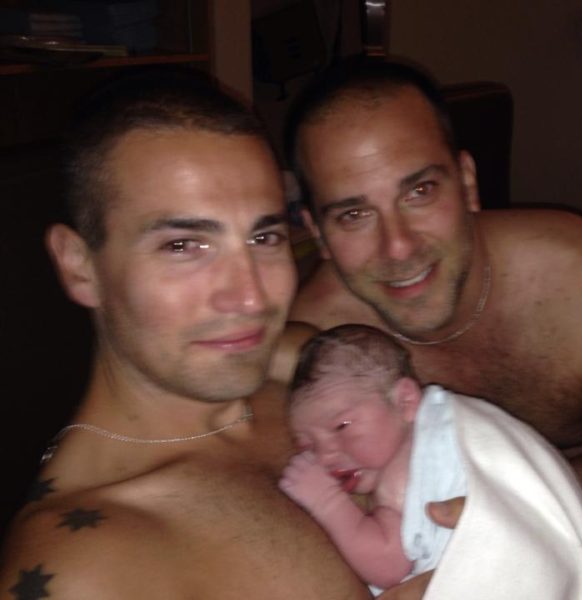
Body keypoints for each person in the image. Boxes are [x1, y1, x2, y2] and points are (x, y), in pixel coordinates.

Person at [284, 58, 582, 599]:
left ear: (467, 183)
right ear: (318, 234)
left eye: (420, 191)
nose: (397, 246)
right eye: (353, 215)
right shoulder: (318, 353)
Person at [0, 69, 380, 599]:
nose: (250, 298)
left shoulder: (305, 364)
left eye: (264, 237)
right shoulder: (85, 570)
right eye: (183, 246)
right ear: (80, 266)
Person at [279, 324, 582, 597]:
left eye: (341, 426)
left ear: (404, 402)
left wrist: (326, 502)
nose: (324, 455)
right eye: (307, 444)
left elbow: (388, 564)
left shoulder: (406, 470)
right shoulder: (445, 418)